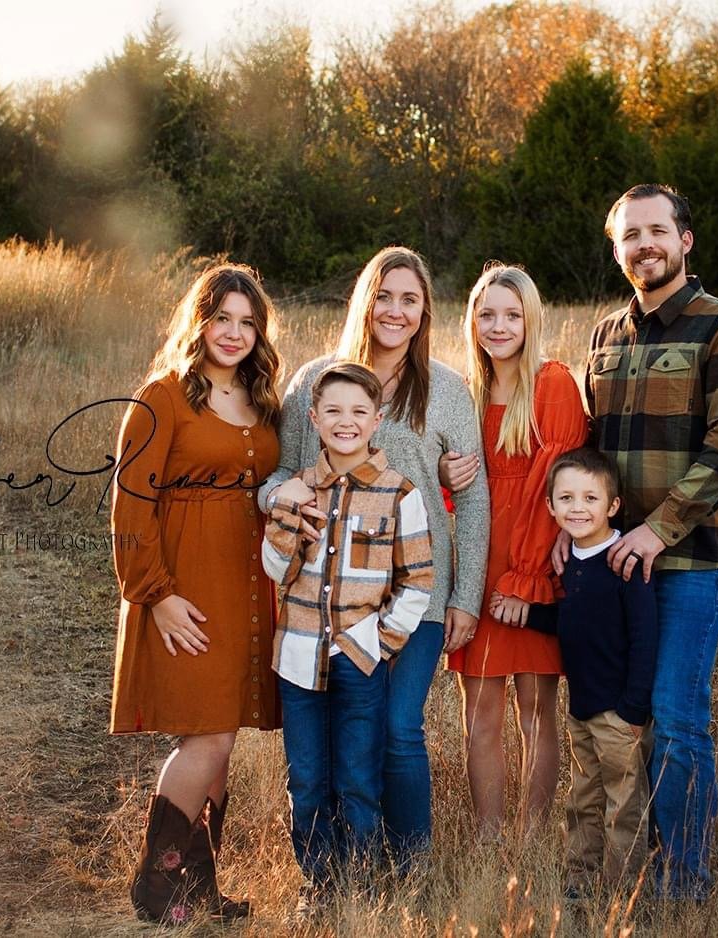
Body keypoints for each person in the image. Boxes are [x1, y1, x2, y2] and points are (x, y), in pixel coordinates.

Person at [258, 246, 490, 867]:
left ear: (424, 311)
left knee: (397, 729)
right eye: (384, 295)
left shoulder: (445, 389)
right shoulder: (315, 380)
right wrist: (278, 497)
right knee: (333, 743)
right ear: (365, 300)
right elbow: (279, 473)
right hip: (329, 596)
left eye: (409, 300)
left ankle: (408, 866)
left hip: (417, 592)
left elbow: (472, 499)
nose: (395, 310)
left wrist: (466, 596)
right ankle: (341, 868)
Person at [564, 184, 718, 900]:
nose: (643, 245)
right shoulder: (605, 335)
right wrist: (578, 531)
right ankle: (624, 868)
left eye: (656, 230)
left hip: (689, 559)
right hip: (615, 563)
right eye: (630, 235)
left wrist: (657, 529)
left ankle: (683, 883)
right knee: (625, 720)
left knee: (678, 719)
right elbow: (590, 451)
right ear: (617, 250)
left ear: (685, 240)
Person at [109, 263, 284, 925]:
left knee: (222, 741)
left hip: (247, 589)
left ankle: (199, 889)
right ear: (200, 323)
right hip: (185, 591)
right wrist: (156, 595)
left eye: (247, 323)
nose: (234, 333)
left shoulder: (261, 400)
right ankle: (156, 886)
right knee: (206, 739)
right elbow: (130, 506)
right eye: (222, 319)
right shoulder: (162, 397)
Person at [261, 363, 434, 908]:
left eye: (359, 411)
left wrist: (378, 644)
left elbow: (417, 581)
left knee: (357, 779)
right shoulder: (296, 489)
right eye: (333, 410)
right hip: (298, 657)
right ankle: (319, 885)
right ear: (314, 418)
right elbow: (274, 568)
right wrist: (287, 514)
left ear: (377, 420)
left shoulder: (399, 493)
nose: (346, 421)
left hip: (360, 662)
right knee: (307, 780)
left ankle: (359, 887)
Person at [442, 264, 588, 840]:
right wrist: (444, 472)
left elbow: (557, 489)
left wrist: (525, 581)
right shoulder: (464, 393)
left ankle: (530, 839)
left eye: (511, 315)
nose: (498, 326)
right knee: (479, 714)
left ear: (531, 320)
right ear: (472, 321)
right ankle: (488, 837)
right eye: (487, 314)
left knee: (535, 712)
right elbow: (454, 492)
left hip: (533, 569)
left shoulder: (552, 383)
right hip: (478, 568)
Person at [495, 447, 657, 897]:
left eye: (590, 498)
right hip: (582, 710)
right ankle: (580, 884)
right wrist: (527, 613)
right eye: (566, 498)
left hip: (620, 714)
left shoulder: (625, 563)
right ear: (550, 506)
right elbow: (572, 620)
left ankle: (622, 895)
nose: (578, 508)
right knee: (583, 800)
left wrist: (634, 709)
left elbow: (645, 640)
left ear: (613, 505)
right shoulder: (571, 563)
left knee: (623, 805)